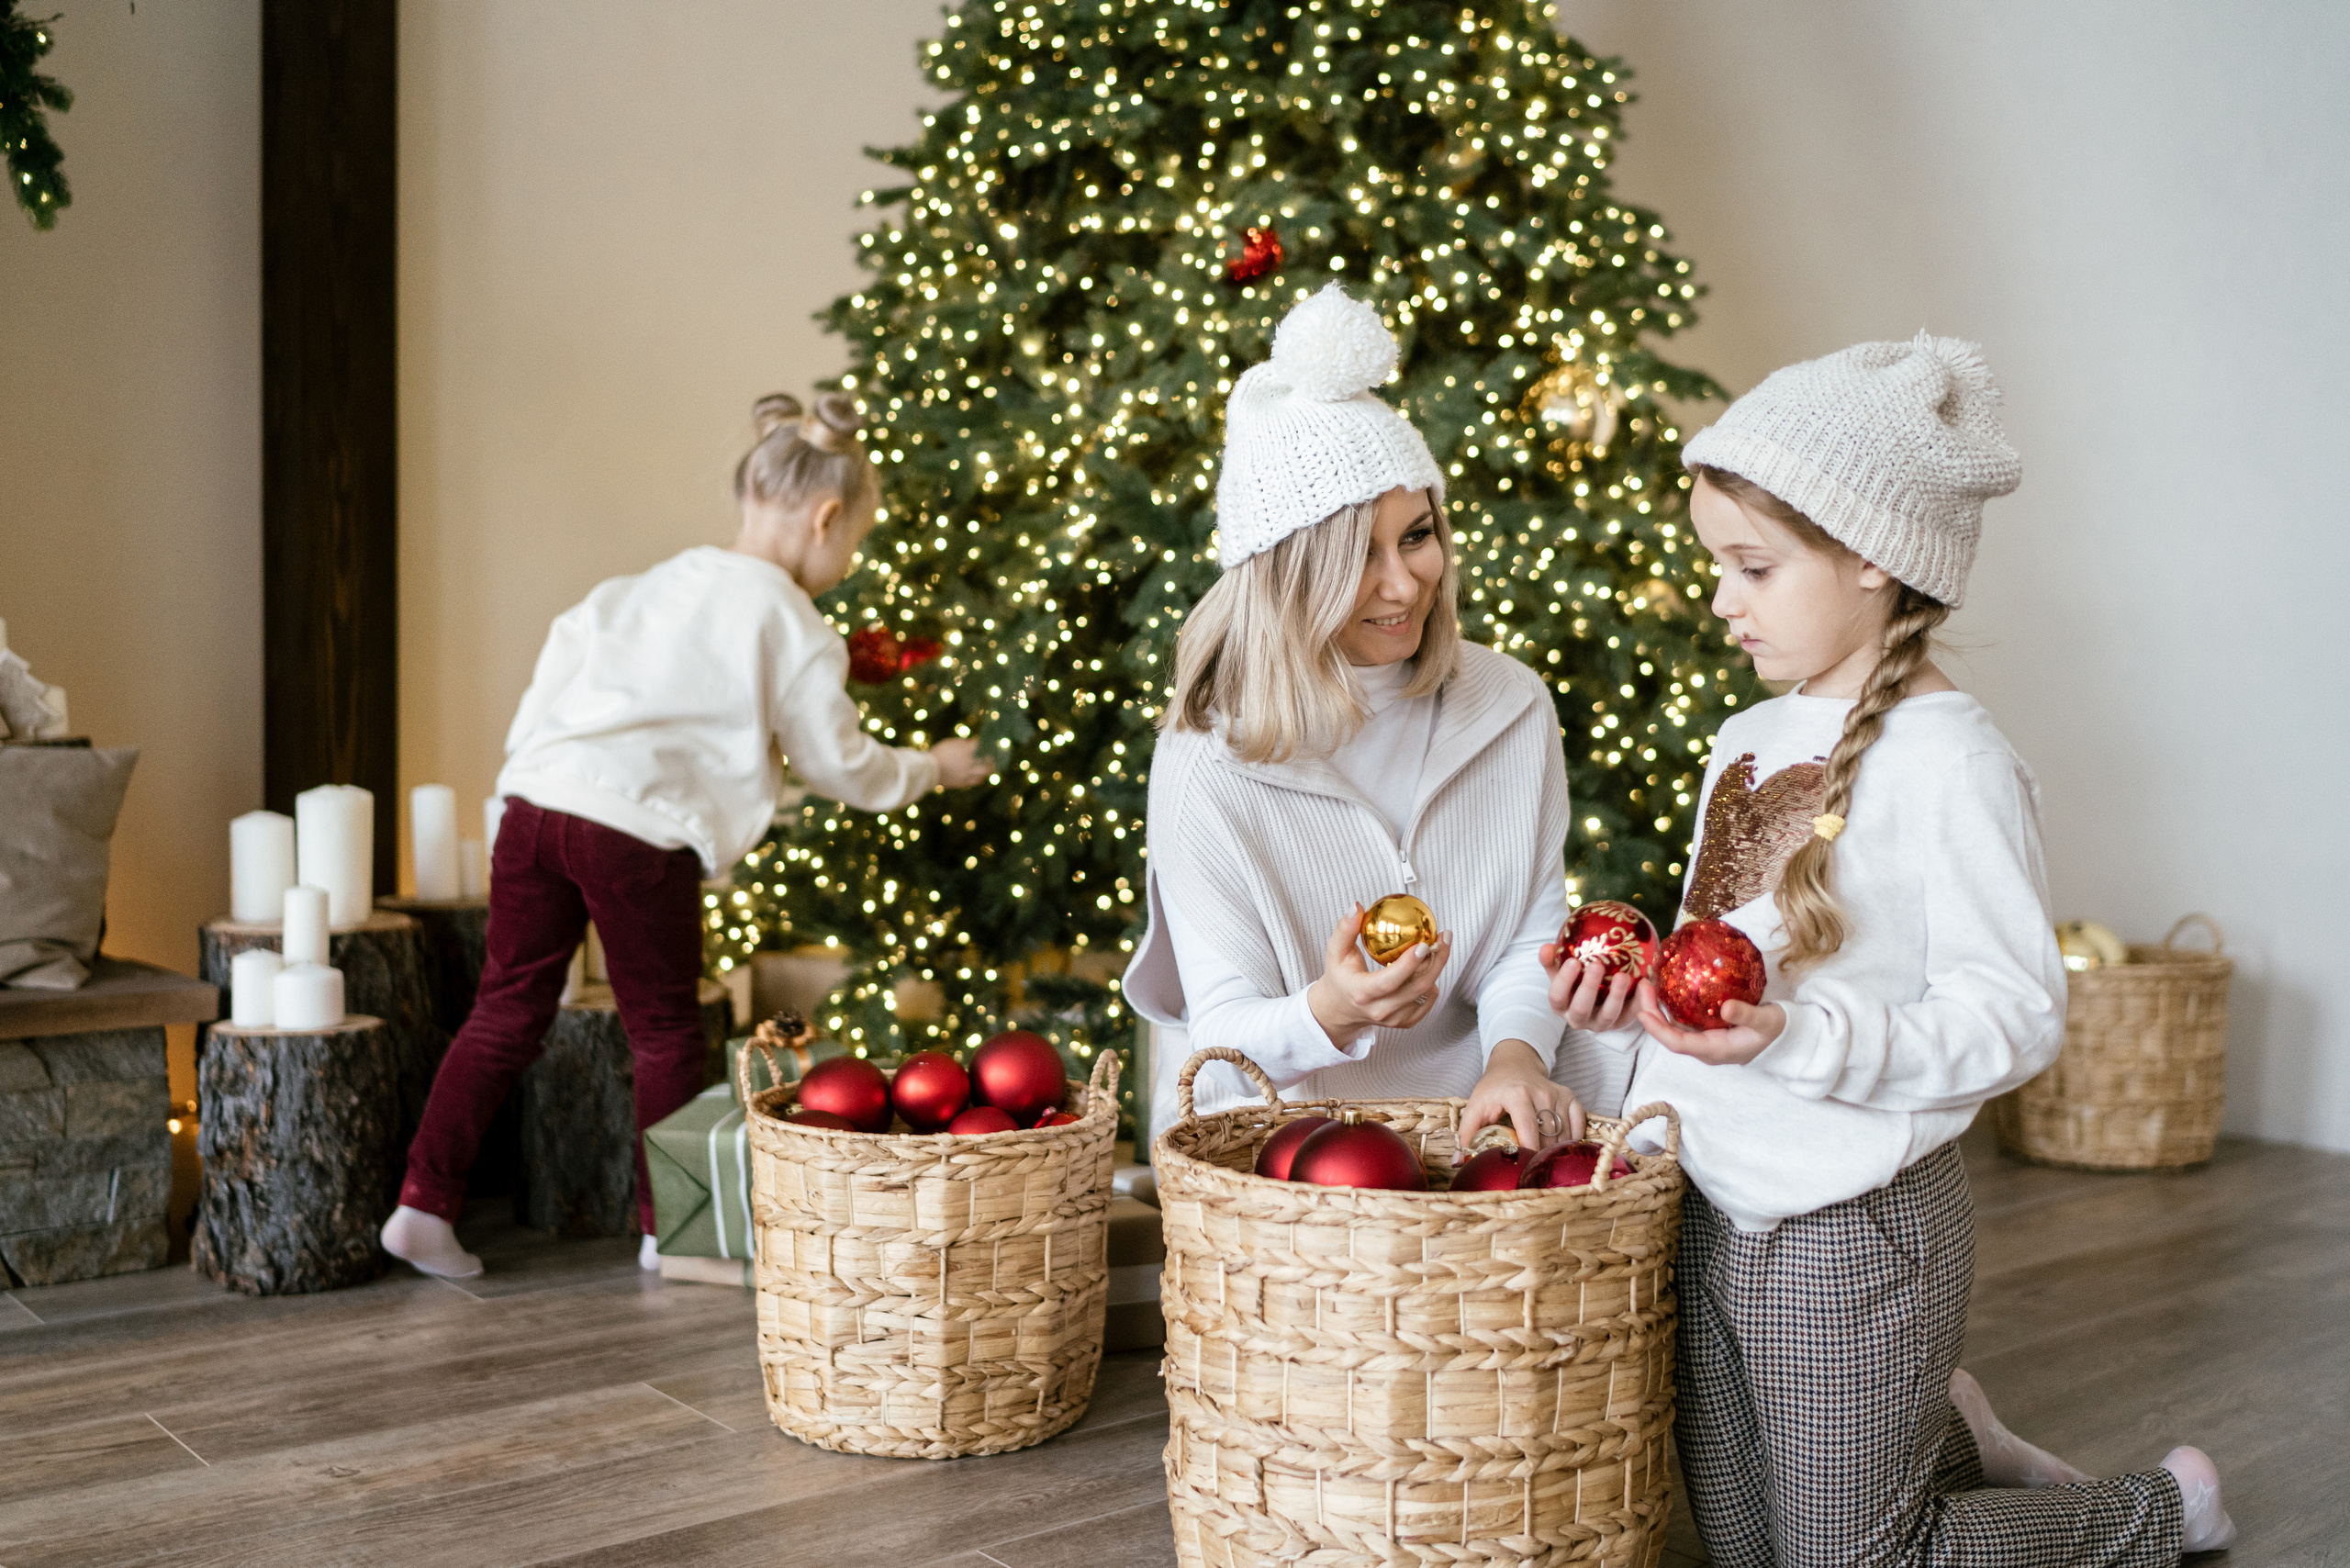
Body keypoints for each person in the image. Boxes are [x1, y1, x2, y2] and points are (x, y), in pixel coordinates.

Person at [1566, 334, 2233, 1562]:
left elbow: (2015, 1015)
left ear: (1870, 556)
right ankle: (1945, 1443)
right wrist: (1624, 1016)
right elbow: (1733, 956)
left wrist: (1801, 1037)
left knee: (1855, 1560)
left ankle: (2157, 1511)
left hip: (1849, 1224)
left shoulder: (1953, 763)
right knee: (1744, 1549)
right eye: (1716, 565)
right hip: (1707, 1199)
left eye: (1753, 567)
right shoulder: (1748, 735)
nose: (1721, 600)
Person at [381, 393, 993, 1279]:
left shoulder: (644, 586)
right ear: (824, 519)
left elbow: (557, 664)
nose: (847, 563)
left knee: (504, 1010)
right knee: (665, 1031)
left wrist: (534, 773)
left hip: (535, 804)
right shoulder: (793, 626)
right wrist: (934, 765)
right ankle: (672, 1232)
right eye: (854, 543)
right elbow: (842, 766)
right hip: (637, 833)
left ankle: (421, 1205)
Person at [1124, 285, 1622, 1154]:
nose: (1405, 583)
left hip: (1484, 1109)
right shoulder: (1210, 757)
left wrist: (1513, 1059)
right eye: (1358, 555)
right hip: (1293, 1137)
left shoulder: (1510, 704)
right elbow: (1222, 1040)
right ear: (1287, 576)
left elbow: (1528, 938)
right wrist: (1334, 1009)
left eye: (1417, 535)